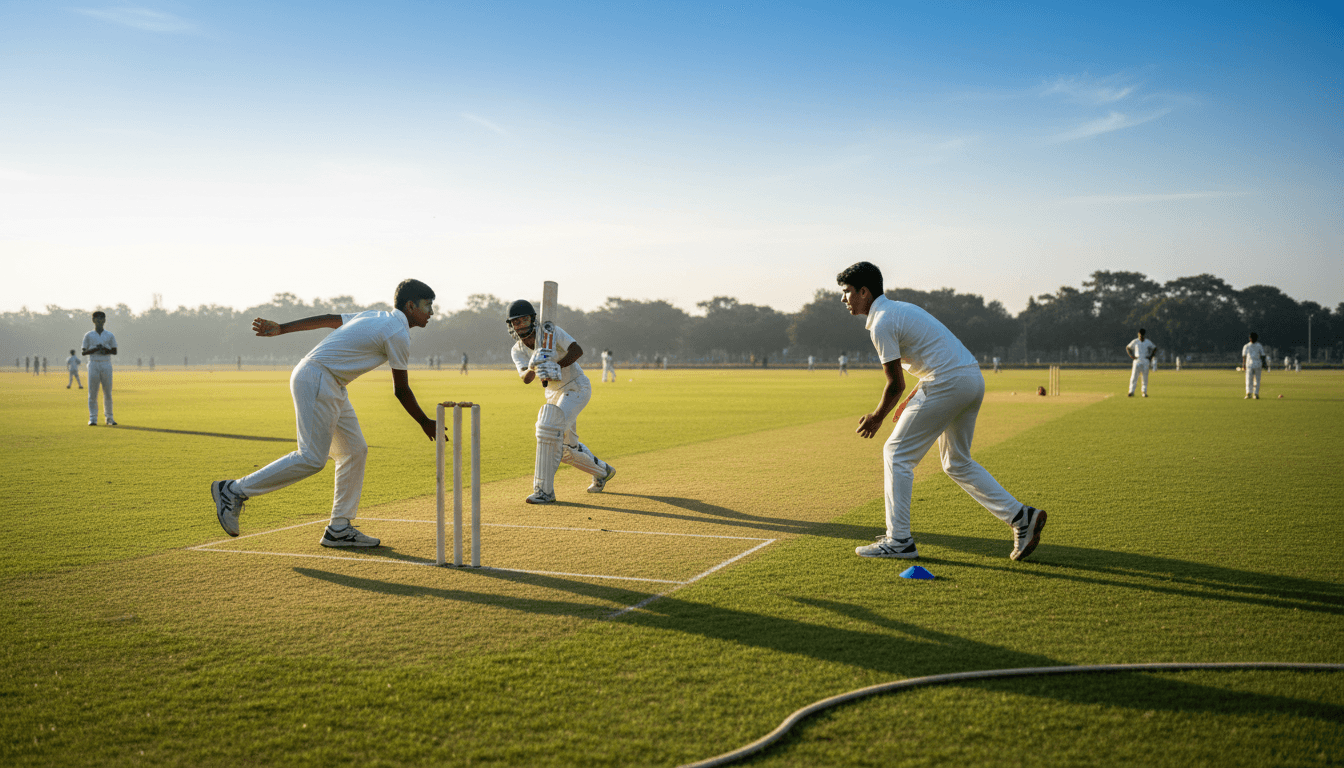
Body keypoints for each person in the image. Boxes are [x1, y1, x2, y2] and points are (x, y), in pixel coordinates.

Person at [838, 261, 1045, 562]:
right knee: (957, 462)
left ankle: (899, 541)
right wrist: (916, 394)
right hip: (970, 378)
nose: (844, 299)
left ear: (864, 292)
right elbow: (931, 355)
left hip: (947, 382)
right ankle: (1021, 517)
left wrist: (877, 417)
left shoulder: (881, 322)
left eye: (847, 292)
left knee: (896, 454)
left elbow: (894, 383)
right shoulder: (898, 309)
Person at [211, 279, 441, 548]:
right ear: (411, 305)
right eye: (427, 306)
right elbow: (401, 390)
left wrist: (282, 328)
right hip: (319, 377)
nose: (431, 313)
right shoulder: (396, 333)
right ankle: (233, 490)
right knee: (311, 458)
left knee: (354, 451)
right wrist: (424, 422)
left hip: (327, 380)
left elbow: (329, 319)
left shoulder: (376, 316)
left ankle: (339, 528)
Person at [506, 298, 616, 504]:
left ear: (532, 319)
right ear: (511, 325)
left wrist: (556, 364)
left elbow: (577, 350)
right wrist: (533, 366)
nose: (520, 325)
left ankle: (543, 491)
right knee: (566, 450)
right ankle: (603, 471)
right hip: (553, 395)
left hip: (576, 386)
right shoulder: (517, 350)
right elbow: (526, 378)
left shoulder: (550, 333)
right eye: (515, 322)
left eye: (524, 320)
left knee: (547, 428)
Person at [81, 311, 117, 425]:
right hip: (93, 362)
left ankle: (109, 418)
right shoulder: (88, 335)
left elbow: (114, 351)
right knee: (93, 392)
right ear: (93, 320)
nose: (100, 321)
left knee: (107, 392)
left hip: (106, 363)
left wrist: (104, 350)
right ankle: (93, 418)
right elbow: (84, 352)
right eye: (97, 319)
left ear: (105, 320)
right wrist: (96, 349)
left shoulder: (109, 335)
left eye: (102, 319)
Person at [1125, 328, 1156, 397]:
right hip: (1137, 360)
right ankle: (1131, 391)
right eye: (1139, 335)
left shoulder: (1147, 342)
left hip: (1145, 360)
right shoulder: (1135, 341)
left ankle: (1144, 392)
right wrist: (1131, 356)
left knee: (1144, 378)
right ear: (1138, 334)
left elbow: (1154, 348)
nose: (1140, 336)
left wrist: (1151, 357)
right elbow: (1128, 347)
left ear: (1144, 335)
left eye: (1141, 335)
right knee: (1134, 377)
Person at [1242, 333, 1268, 399]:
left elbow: (1263, 355)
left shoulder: (1258, 345)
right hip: (1250, 364)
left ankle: (1255, 394)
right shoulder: (1247, 346)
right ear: (1250, 338)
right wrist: (1244, 365)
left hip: (1257, 364)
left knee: (1256, 380)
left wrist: (1264, 364)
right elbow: (1244, 356)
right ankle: (1249, 393)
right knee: (1249, 380)